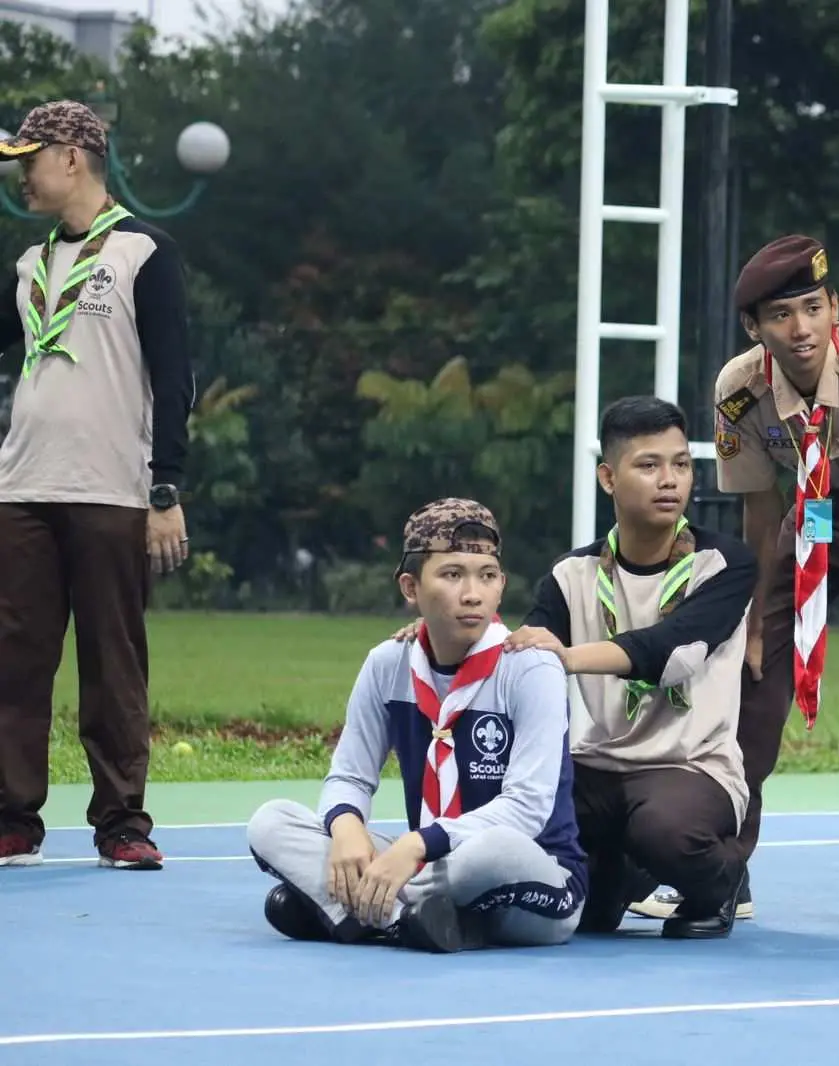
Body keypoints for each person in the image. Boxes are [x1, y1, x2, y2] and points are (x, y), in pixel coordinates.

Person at [644, 233, 839, 936]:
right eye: (781, 316)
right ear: (755, 330)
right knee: (750, 671)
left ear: (835, 307)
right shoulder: (738, 389)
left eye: (814, 308)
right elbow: (758, 511)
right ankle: (720, 870)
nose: (802, 328)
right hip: (808, 516)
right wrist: (752, 621)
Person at [245, 498, 587, 954]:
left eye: (487, 575)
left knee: (490, 851)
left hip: (530, 876)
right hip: (427, 867)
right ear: (411, 586)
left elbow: (526, 809)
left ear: (502, 585)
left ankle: (354, 911)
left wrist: (414, 848)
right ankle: (413, 921)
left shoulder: (530, 668)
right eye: (452, 575)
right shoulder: (388, 664)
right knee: (271, 823)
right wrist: (346, 828)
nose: (473, 593)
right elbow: (348, 775)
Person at [0, 100, 194, 871]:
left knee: (113, 663)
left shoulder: (146, 253)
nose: (21, 178)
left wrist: (166, 488)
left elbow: (174, 377)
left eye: (29, 161)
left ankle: (121, 822)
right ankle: (12, 817)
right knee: (14, 660)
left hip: (113, 490)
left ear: (72, 157)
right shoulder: (28, 263)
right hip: (21, 490)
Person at [518, 395, 757, 940]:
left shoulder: (724, 564)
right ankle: (615, 876)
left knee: (665, 832)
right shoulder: (569, 573)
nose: (669, 480)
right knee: (526, 817)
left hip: (692, 766)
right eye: (648, 465)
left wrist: (568, 657)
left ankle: (721, 881)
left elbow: (668, 651)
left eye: (680, 464)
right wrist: (442, 636)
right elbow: (526, 656)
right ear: (608, 478)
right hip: (600, 763)